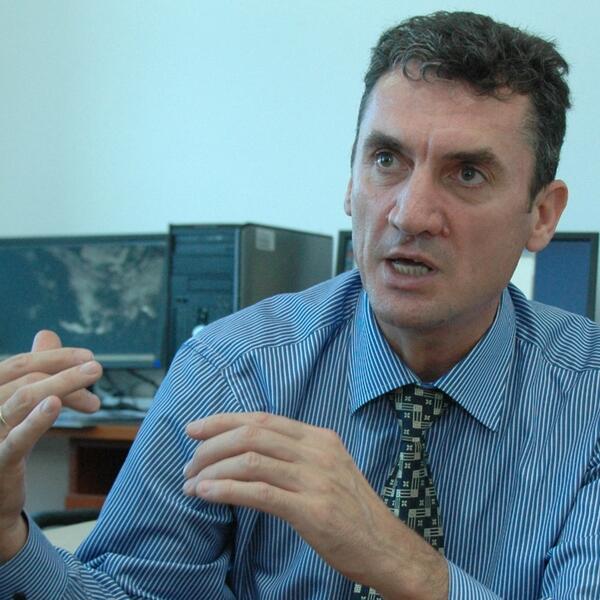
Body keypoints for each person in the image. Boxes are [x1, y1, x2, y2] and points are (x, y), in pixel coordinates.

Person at [1, 10, 598, 599]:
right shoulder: (232, 369)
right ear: (350, 182)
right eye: (386, 160)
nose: (410, 214)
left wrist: (401, 562)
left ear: (542, 215)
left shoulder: (588, 398)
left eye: (467, 174)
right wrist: (6, 537)